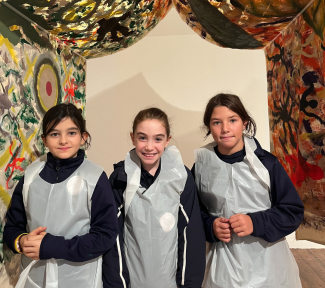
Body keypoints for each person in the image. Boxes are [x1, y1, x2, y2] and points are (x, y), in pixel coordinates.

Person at [192, 93, 304, 288]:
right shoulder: (202, 166)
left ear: (244, 122)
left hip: (268, 268)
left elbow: (292, 211)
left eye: (232, 120)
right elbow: (192, 213)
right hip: (222, 269)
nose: (225, 129)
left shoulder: (267, 164)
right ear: (209, 127)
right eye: (217, 122)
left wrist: (255, 221)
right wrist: (210, 226)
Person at [4, 103, 118, 288]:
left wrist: (53, 246)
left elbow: (105, 236)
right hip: (35, 279)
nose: (63, 140)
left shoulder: (95, 177)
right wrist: (21, 241)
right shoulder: (31, 176)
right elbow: (12, 228)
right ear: (45, 139)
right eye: (54, 134)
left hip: (79, 280)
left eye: (71, 133)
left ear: (83, 137)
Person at [105, 107, 206, 288]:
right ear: (132, 138)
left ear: (167, 140)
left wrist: (188, 285)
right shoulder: (120, 178)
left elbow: (191, 236)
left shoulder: (181, 178)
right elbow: (113, 238)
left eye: (158, 139)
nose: (149, 146)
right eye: (142, 137)